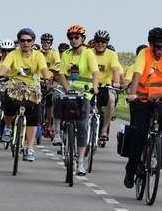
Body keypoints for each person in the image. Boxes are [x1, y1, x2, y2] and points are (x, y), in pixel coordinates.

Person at [123, 28, 162, 188]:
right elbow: (137, 74)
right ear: (151, 44)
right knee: (141, 132)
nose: (161, 50)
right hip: (142, 96)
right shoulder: (144, 53)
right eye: (158, 46)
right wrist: (132, 94)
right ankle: (131, 170)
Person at [0, 28, 53, 163]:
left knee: (34, 115)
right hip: (14, 86)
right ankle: (8, 127)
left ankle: (29, 148)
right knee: (8, 103)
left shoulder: (38, 55)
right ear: (19, 42)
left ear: (33, 42)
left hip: (33, 88)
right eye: (23, 40)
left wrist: (46, 78)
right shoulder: (13, 54)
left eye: (28, 40)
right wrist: (1, 75)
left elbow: (44, 69)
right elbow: (4, 67)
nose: (26, 43)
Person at [56, 25, 99, 175]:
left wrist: (94, 87)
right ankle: (58, 133)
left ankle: (80, 161)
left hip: (85, 94)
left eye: (76, 37)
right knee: (57, 99)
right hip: (69, 91)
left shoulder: (88, 53)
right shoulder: (66, 54)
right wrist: (67, 89)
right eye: (71, 38)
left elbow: (95, 72)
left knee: (81, 125)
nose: (73, 40)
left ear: (83, 39)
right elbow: (61, 74)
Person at [89, 29, 121, 144]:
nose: (100, 44)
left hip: (105, 86)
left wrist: (116, 81)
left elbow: (115, 69)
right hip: (90, 85)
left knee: (112, 100)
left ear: (107, 43)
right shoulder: (89, 52)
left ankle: (103, 130)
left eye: (103, 41)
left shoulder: (111, 54)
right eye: (98, 41)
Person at [40, 33, 61, 139]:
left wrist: (51, 76)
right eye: (43, 42)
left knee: (50, 102)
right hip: (38, 79)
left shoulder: (53, 54)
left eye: (47, 42)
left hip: (49, 80)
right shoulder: (38, 53)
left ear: (51, 43)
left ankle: (48, 125)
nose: (45, 44)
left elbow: (57, 64)